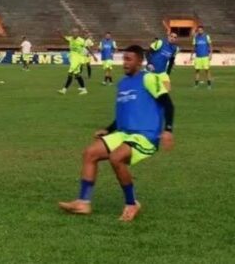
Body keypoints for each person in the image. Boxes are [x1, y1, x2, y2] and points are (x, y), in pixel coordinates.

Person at [58, 45, 175, 222]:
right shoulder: (122, 83)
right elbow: (124, 113)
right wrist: (108, 129)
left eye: (129, 59)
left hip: (145, 135)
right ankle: (83, 202)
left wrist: (168, 130)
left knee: (116, 157)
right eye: (123, 59)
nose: (125, 63)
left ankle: (131, 203)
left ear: (139, 61)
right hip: (123, 133)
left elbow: (168, 104)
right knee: (90, 153)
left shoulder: (149, 79)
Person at [58, 28, 90, 95]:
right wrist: (59, 33)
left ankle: (64, 90)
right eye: (73, 32)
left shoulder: (81, 40)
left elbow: (87, 47)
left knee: (70, 73)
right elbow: (64, 39)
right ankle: (84, 89)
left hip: (78, 59)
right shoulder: (71, 38)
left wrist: (94, 56)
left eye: (75, 32)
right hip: (73, 59)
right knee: (77, 75)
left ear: (78, 33)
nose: (73, 33)